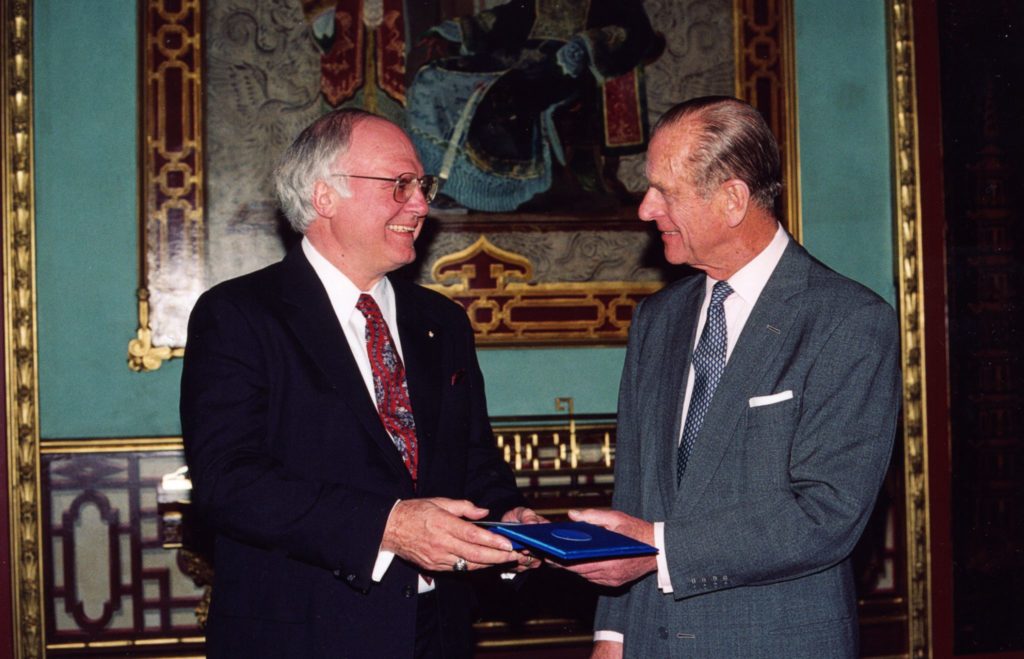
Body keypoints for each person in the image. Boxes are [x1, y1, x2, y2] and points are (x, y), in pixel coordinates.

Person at [181, 108, 541, 658]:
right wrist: (388, 526)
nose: (421, 204)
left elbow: (473, 464)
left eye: (422, 186)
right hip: (303, 636)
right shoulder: (239, 315)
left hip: (436, 633)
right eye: (400, 185)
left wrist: (510, 522)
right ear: (325, 197)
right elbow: (228, 483)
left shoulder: (440, 322)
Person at [563, 96, 901, 657]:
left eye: (664, 192)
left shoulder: (847, 321)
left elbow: (827, 513)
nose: (646, 210)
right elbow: (636, 490)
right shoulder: (657, 319)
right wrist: (613, 633)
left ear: (732, 200)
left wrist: (658, 547)